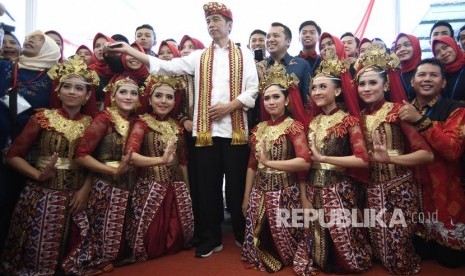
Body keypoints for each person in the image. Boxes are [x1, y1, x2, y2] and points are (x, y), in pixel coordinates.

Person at [106, 1, 259, 259]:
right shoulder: (198, 57)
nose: (211, 25)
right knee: (207, 187)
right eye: (208, 21)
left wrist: (230, 106)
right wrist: (134, 51)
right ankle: (210, 238)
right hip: (205, 133)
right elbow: (166, 66)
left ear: (229, 25)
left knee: (235, 188)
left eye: (216, 20)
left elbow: (253, 89)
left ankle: (242, 234)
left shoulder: (245, 55)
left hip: (235, 133)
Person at [0, 56, 98, 275]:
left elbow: (95, 163)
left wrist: (85, 190)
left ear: (88, 95)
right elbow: (13, 156)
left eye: (79, 88)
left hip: (77, 197)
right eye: (67, 87)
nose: (72, 92)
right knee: (37, 262)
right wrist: (38, 175)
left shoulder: (92, 124)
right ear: (58, 91)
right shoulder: (43, 118)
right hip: (42, 195)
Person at [355, 47, 434, 274]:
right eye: (362, 84)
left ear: (386, 85)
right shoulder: (358, 117)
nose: (367, 89)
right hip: (369, 190)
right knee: (378, 253)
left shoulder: (398, 112)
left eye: (373, 83)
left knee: (399, 260)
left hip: (398, 188)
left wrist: (390, 158)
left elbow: (426, 154)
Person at [296, 50, 372, 274]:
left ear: (338, 91)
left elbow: (363, 159)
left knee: (344, 236)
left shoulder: (348, 120)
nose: (317, 92)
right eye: (314, 87)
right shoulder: (313, 121)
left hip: (339, 187)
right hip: (313, 187)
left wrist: (325, 158)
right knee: (315, 233)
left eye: (323, 87)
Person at [241, 65, 311, 273]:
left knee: (285, 246)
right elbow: (252, 165)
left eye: (276, 97)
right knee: (256, 242)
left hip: (285, 191)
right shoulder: (258, 129)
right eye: (267, 98)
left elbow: (304, 161)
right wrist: (246, 197)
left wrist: (271, 164)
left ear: (287, 100)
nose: (271, 102)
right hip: (259, 192)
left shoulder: (293, 127)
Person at [398, 58, 465, 267]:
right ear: (412, 81)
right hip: (412, 190)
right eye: (422, 75)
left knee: (450, 260)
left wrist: (419, 120)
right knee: (418, 253)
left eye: (433, 75)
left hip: (445, 188)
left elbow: (452, 150)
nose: (427, 79)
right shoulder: (401, 108)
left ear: (444, 83)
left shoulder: (455, 109)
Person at [0, 31, 60, 252]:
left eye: (39, 40)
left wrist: (53, 112)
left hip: (26, 154)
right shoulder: (5, 68)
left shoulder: (52, 79)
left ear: (49, 49)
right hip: (1, 140)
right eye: (30, 38)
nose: (30, 40)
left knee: (13, 205)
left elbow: (64, 110)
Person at [124, 75, 193, 261]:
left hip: (176, 188)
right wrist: (160, 160)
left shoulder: (177, 126)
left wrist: (186, 191)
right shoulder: (142, 123)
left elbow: (183, 161)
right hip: (150, 186)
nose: (164, 101)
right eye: (159, 96)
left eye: (169, 97)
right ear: (149, 98)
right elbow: (131, 157)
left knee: (179, 239)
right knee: (150, 244)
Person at [256, 22, 311, 124]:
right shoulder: (259, 67)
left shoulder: (301, 65)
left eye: (276, 36)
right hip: (265, 127)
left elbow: (308, 101)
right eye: (268, 37)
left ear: (288, 41)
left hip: (296, 126)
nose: (270, 39)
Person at [432, 36, 465, 102]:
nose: (443, 53)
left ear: (454, 45)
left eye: (445, 47)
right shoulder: (440, 75)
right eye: (437, 52)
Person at [394, 33, 422, 101]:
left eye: (407, 45)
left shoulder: (426, 71)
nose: (402, 49)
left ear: (416, 47)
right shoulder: (395, 74)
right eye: (398, 47)